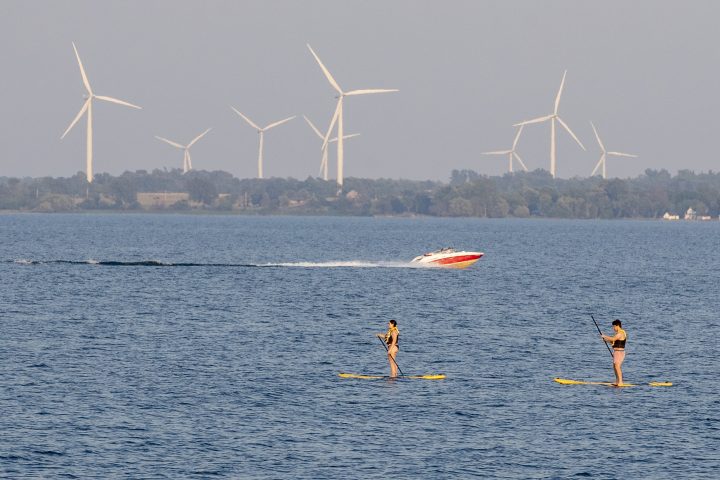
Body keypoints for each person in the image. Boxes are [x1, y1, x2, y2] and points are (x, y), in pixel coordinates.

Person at [601, 319, 627, 386]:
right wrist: (606, 340)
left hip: (619, 352)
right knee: (614, 366)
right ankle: (617, 381)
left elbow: (613, 339)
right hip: (616, 352)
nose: (613, 328)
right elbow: (612, 342)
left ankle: (620, 382)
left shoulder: (620, 333)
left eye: (613, 326)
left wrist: (605, 336)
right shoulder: (617, 334)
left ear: (617, 326)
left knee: (617, 366)